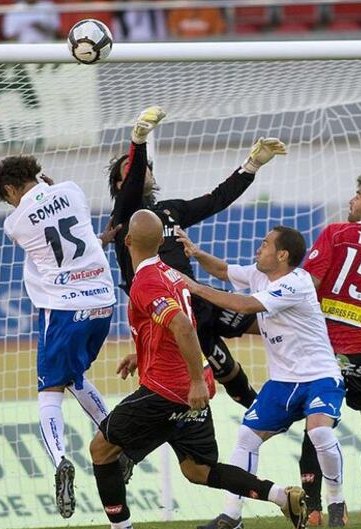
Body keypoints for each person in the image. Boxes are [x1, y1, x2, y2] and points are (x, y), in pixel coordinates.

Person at [81, 209, 307, 529]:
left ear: (127, 241)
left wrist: (193, 382)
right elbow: (171, 326)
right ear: (160, 242)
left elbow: (183, 327)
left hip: (169, 390)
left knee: (101, 448)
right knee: (198, 470)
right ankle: (280, 495)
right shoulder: (169, 272)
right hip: (190, 385)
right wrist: (142, 355)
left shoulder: (144, 281)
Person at [108, 105, 287, 410]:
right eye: (133, 170)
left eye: (144, 166)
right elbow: (134, 182)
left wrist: (251, 166)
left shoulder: (169, 211)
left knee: (275, 323)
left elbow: (216, 199)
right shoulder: (124, 219)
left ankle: (323, 366)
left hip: (198, 302)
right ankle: (261, 421)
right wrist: (137, 141)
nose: (142, 171)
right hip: (170, 315)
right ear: (120, 185)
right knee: (229, 375)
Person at [177, 225, 347, 529]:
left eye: (265, 244)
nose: (259, 248)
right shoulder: (258, 274)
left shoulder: (298, 282)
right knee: (246, 437)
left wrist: (194, 287)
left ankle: (336, 501)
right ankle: (232, 515)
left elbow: (245, 305)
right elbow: (224, 270)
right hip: (282, 383)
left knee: (320, 434)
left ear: (282, 255)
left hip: (320, 376)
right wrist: (197, 252)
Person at [0, 155, 117, 519]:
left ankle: (60, 460)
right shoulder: (72, 190)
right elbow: (65, 218)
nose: (11, 203)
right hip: (102, 304)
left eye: (8, 196)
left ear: (12, 188)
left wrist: (35, 197)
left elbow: (43, 230)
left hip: (62, 309)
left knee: (49, 390)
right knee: (74, 375)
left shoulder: (15, 223)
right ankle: (116, 439)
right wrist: (50, 186)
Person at [298, 175, 361, 526]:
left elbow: (308, 284)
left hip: (323, 349)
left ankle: (312, 510)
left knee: (317, 423)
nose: (351, 200)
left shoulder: (336, 233)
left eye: (357, 196)